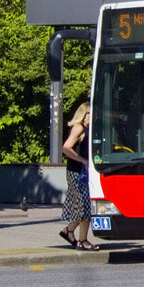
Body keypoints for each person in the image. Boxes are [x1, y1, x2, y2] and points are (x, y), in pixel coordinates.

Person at [60, 102, 99, 250]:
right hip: (76, 172)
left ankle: (68, 231)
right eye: (90, 114)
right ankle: (82, 239)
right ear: (84, 115)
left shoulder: (88, 129)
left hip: (83, 172)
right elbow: (66, 148)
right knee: (84, 205)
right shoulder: (79, 128)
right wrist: (83, 161)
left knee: (84, 205)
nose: (93, 117)